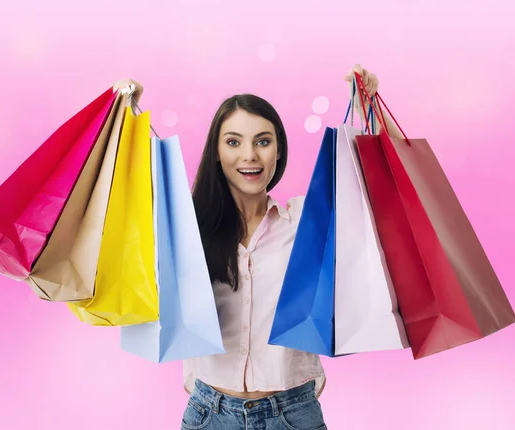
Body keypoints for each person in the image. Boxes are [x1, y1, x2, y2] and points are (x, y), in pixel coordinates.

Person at [113, 64, 403, 429]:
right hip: (209, 414)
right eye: (233, 142)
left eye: (262, 141)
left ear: (278, 151)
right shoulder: (187, 227)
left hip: (293, 414)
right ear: (217, 153)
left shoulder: (306, 222)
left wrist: (369, 111)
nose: (249, 155)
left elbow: (386, 188)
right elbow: (122, 207)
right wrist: (122, 123)